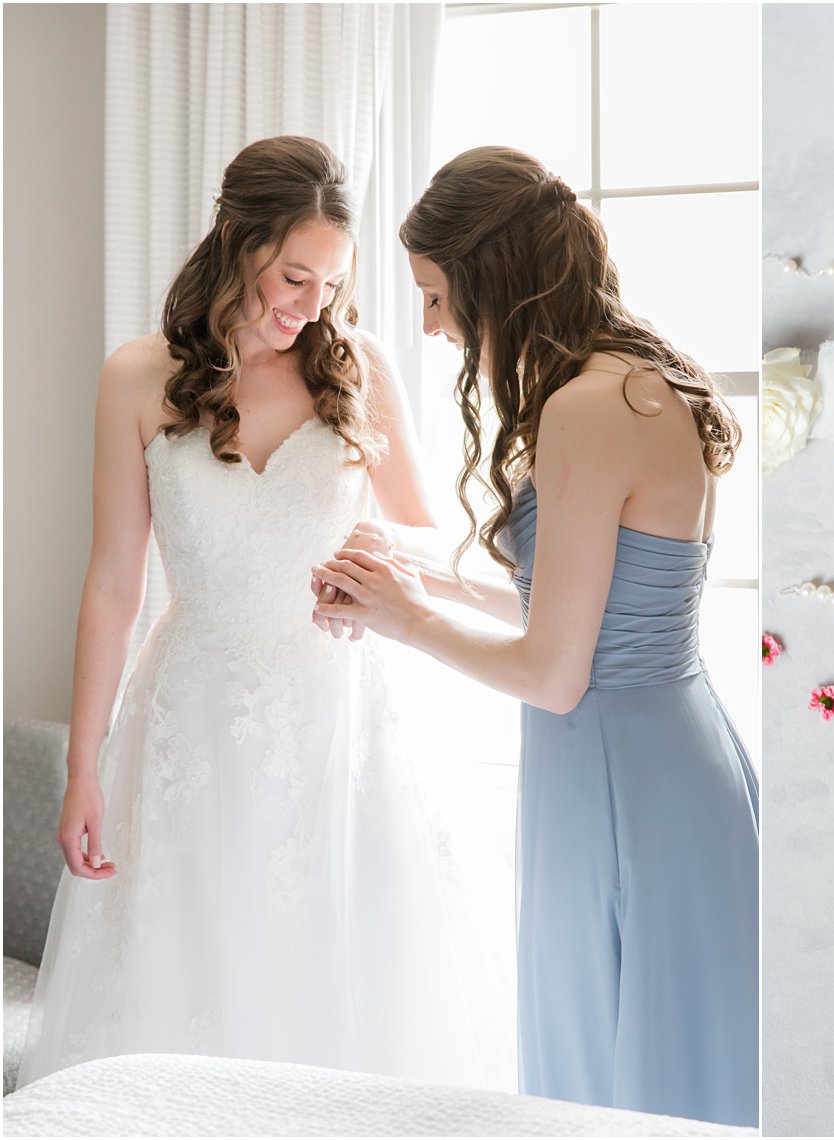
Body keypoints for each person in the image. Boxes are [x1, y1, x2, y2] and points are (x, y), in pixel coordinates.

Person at [19, 136, 512, 1090]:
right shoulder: (135, 378)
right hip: (187, 728)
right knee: (188, 975)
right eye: (295, 275)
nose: (311, 306)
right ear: (238, 240)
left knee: (341, 980)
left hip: (339, 718)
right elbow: (114, 586)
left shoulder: (359, 367)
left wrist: (372, 574)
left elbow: (417, 533)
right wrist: (84, 769)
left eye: (331, 285)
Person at [312, 146, 759, 1127]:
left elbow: (555, 674)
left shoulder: (583, 407)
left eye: (434, 296)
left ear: (491, 281)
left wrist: (403, 619)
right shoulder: (631, 380)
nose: (428, 326)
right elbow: (585, 616)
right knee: (636, 1069)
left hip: (618, 771)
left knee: (626, 1086)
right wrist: (431, 579)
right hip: (645, 753)